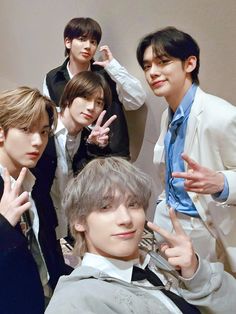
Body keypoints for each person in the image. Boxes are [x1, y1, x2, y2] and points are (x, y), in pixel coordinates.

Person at [45, 157, 236, 314]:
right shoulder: (76, 301)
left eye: (133, 204)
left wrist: (195, 272)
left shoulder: (159, 265)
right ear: (79, 221)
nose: (125, 218)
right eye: (105, 207)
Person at [136, 26, 236, 273]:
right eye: (147, 66)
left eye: (163, 62)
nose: (153, 72)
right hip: (170, 220)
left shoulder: (221, 116)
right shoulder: (167, 115)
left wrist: (222, 183)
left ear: (190, 63)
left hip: (206, 228)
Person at [0, 87, 71, 314]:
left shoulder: (34, 179)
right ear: (1, 133)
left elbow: (46, 245)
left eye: (43, 132)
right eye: (26, 129)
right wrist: (3, 224)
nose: (38, 141)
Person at [43, 17, 146, 159]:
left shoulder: (108, 74)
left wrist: (114, 67)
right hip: (75, 159)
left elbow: (137, 101)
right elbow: (52, 121)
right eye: (82, 39)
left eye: (93, 42)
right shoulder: (53, 78)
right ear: (68, 42)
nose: (88, 46)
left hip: (113, 157)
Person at [34, 71, 116, 240]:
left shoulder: (89, 139)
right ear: (69, 97)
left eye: (98, 102)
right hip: (40, 225)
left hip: (70, 227)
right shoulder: (43, 128)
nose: (91, 107)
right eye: (85, 98)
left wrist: (94, 147)